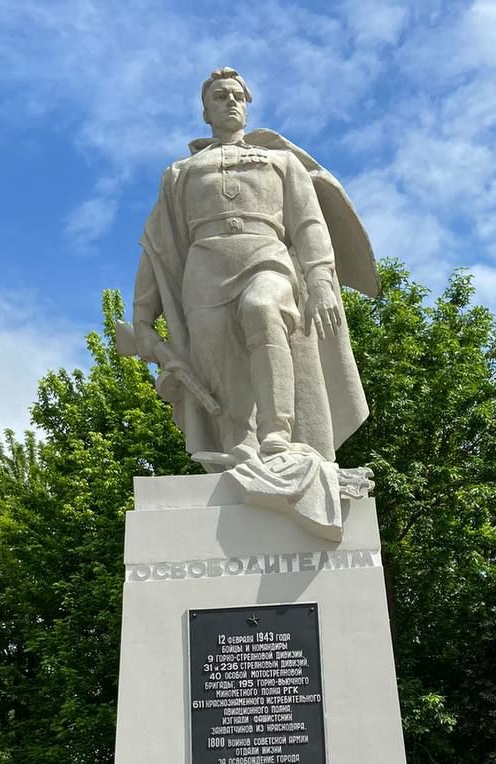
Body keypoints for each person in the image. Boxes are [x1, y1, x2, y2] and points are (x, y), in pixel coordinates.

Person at [118, 69, 378, 535]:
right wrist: (142, 314)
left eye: (238, 96)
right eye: (221, 96)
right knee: (219, 359)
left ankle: (278, 435)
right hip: (204, 267)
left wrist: (319, 278)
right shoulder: (179, 173)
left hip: (267, 255)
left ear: (247, 104)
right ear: (206, 109)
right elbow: (157, 246)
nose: (231, 102)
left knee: (263, 311)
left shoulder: (281, 162)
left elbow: (309, 224)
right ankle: (242, 442)